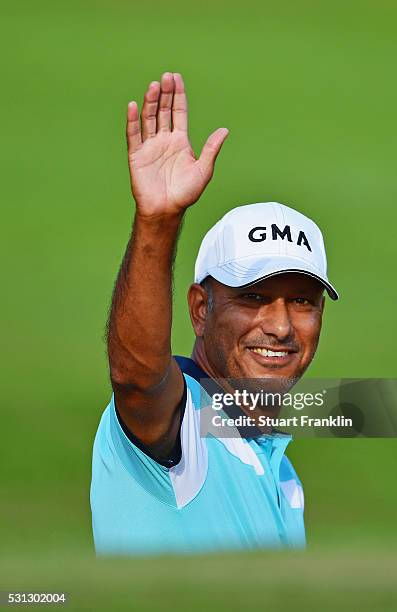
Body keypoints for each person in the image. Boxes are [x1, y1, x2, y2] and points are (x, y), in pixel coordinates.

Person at [90, 72, 339, 555]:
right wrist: (158, 222)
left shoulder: (283, 476)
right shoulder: (180, 426)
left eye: (303, 301)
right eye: (253, 297)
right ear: (200, 310)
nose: (282, 326)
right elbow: (137, 377)